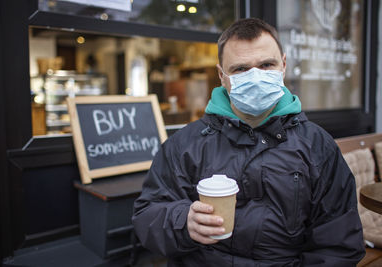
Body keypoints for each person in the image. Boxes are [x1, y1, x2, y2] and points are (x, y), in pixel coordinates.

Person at [132, 18, 365, 266]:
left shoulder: (318, 146)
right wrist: (182, 223)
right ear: (222, 75)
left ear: (283, 66)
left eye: (267, 65)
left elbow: (337, 246)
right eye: (241, 69)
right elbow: (147, 215)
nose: (255, 77)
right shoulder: (183, 145)